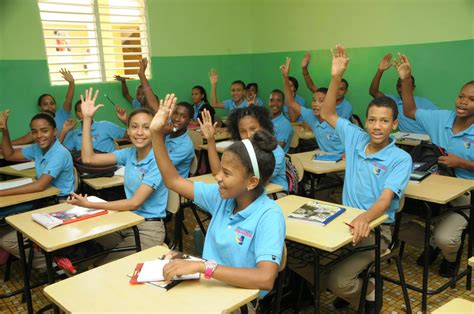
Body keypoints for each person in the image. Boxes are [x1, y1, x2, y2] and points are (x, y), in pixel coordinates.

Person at [150, 93, 285, 294]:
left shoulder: (269, 215)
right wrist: (156, 134)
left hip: (239, 300)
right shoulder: (222, 197)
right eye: (220, 170)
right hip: (209, 288)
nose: (218, 177)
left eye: (227, 173)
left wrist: (205, 267)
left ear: (251, 182)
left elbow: (265, 279)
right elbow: (173, 181)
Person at [320, 45, 412, 312]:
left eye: (384, 121)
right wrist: (336, 77)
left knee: (335, 280)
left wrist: (365, 218)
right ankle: (352, 285)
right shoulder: (355, 137)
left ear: (394, 124)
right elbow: (327, 113)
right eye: (372, 120)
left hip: (376, 229)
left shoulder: (400, 159)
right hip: (344, 220)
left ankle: (369, 291)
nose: (376, 126)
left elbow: (385, 200)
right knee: (302, 258)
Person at [67, 88, 168, 263]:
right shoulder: (128, 154)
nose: (139, 132)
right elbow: (88, 158)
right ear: (127, 131)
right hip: (128, 221)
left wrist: (90, 204)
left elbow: (134, 202)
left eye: (146, 127)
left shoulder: (158, 160)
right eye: (134, 127)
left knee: (103, 267)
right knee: (87, 230)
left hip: (148, 228)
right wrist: (87, 120)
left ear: (154, 131)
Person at [395, 53, 473, 277]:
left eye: (471, 99)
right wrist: (406, 79)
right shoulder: (441, 118)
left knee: (446, 238)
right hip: (432, 186)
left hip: (465, 194)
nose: (463, 101)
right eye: (461, 96)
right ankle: (431, 244)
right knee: (395, 220)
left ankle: (449, 255)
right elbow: (410, 110)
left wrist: (462, 163)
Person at [0, 111, 74, 268]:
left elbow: (40, 185)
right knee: (7, 224)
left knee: (8, 241)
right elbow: (9, 155)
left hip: (61, 205)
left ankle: (53, 267)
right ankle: (45, 256)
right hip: (44, 202)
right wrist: (5, 132)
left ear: (55, 131)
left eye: (44, 130)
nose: (39, 135)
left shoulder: (59, 152)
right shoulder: (36, 149)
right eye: (34, 131)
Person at [200, 105, 288, 192]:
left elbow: (256, 182)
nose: (248, 135)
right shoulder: (240, 149)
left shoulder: (275, 152)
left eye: (253, 129)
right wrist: (210, 139)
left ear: (264, 127)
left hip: (277, 196)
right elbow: (218, 173)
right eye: (243, 131)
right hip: (248, 194)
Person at [138, 58, 195, 178]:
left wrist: (160, 134)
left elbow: (161, 166)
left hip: (171, 188)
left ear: (190, 121)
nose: (177, 119)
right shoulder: (168, 125)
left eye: (183, 116)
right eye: (175, 113)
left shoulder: (185, 145)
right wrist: (142, 76)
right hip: (153, 178)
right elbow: (153, 102)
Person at [281, 57, 344, 155]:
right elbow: (290, 102)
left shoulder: (338, 122)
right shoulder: (311, 115)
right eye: (314, 100)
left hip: (341, 162)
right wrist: (285, 77)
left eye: (320, 101)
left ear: (329, 103)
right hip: (325, 159)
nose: (315, 104)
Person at [369, 52, 439, 134]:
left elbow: (438, 120)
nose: (402, 89)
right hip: (405, 141)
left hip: (425, 140)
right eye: (399, 86)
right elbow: (373, 92)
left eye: (406, 86)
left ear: (413, 88)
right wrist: (380, 71)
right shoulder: (392, 102)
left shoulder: (424, 102)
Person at [9, 69, 75, 145]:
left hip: (69, 150)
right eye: (45, 104)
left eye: (52, 103)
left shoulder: (62, 113)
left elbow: (68, 99)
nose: (49, 106)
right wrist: (5, 145)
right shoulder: (39, 122)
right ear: (40, 107)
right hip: (51, 151)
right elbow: (26, 138)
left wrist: (71, 83)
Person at [301, 52, 353, 120]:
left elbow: (340, 126)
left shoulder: (347, 106)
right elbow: (311, 86)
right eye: (336, 88)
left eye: (341, 89)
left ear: (346, 92)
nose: (337, 91)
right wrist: (304, 68)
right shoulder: (325, 96)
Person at [60, 100, 127, 153]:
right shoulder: (74, 135)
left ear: (93, 111)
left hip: (112, 167)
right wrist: (64, 131)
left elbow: (130, 136)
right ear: (76, 114)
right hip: (88, 169)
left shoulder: (105, 126)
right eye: (80, 110)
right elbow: (60, 154)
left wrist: (125, 120)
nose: (84, 113)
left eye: (87, 109)